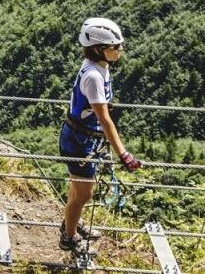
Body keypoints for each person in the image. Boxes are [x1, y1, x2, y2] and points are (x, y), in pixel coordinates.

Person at [59, 18, 141, 253]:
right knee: (84, 194)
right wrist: (124, 154)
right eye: (115, 47)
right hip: (79, 141)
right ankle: (69, 236)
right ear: (98, 49)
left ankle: (71, 221)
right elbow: (105, 119)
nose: (120, 50)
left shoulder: (98, 67)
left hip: (80, 136)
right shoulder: (94, 76)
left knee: (77, 189)